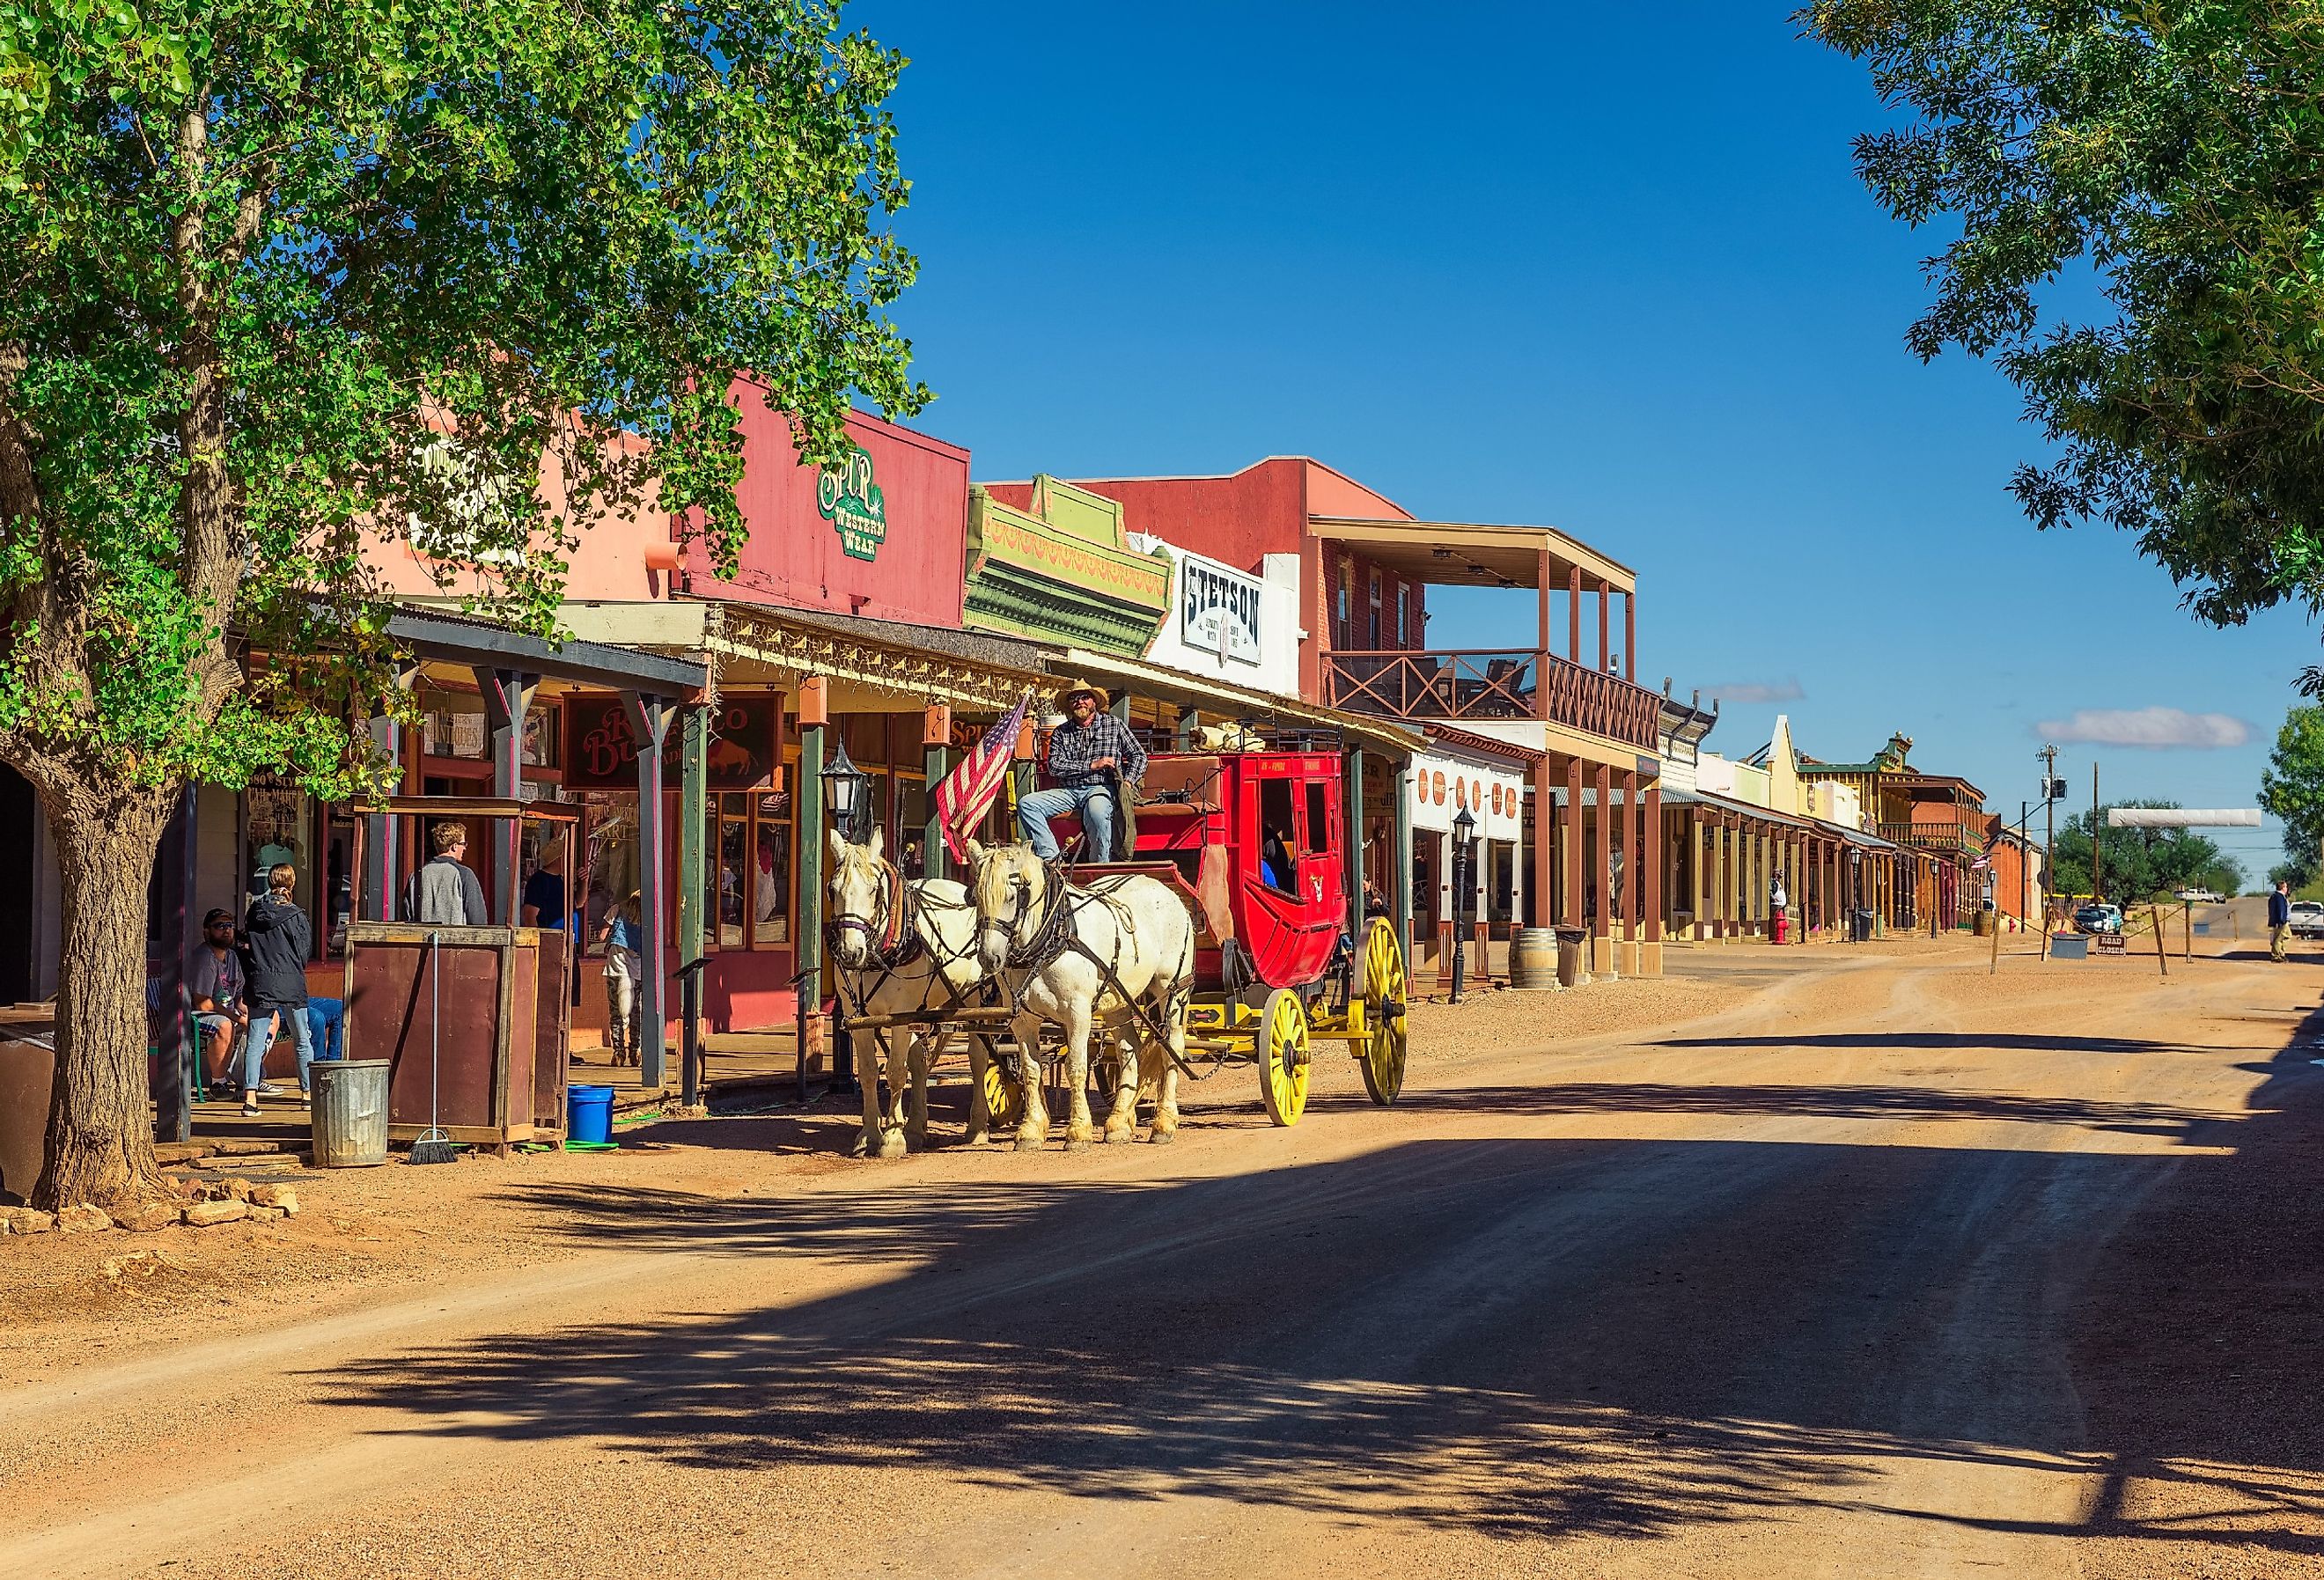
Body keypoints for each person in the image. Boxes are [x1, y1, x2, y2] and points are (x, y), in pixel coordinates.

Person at [1016, 683, 1146, 862]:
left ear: (1094, 701)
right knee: (1027, 803)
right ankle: (1051, 859)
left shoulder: (1114, 725)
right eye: (1073, 699)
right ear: (1070, 705)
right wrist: (1092, 765)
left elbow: (1139, 755)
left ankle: (1099, 867)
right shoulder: (1061, 732)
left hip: (1101, 789)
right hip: (1068, 792)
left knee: (1097, 812)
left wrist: (1128, 782)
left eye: (1084, 697)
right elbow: (1054, 766)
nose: (1079, 702)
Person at [242, 863, 313, 1117]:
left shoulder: (254, 913)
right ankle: (307, 1094)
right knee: (302, 1039)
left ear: (269, 882)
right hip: (291, 982)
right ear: (292, 884)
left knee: (255, 1040)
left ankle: (250, 1099)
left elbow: (245, 944)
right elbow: (304, 953)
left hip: (261, 981)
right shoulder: (296, 916)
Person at [188, 908, 249, 1100]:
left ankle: (245, 1080)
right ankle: (218, 1084)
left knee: (267, 1018)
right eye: (219, 926)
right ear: (206, 931)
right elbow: (203, 1003)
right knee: (224, 1025)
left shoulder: (232, 957)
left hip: (229, 1014)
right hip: (197, 1017)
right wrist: (237, 1018)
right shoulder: (205, 958)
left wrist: (251, 1013)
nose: (226, 930)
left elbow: (239, 995)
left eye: (229, 925)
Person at [403, 820, 489, 925]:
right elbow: (478, 920)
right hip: (455, 940)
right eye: (463, 844)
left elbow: (406, 916)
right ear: (454, 846)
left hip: (422, 940)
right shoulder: (464, 875)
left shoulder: (416, 876)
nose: (465, 848)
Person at [593, 888, 644, 1066]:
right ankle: (635, 1051)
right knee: (636, 1012)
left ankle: (618, 1053)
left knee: (616, 1013)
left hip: (616, 968)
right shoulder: (648, 916)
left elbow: (601, 936)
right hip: (637, 971)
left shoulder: (616, 909)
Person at [305, 996, 345, 1063]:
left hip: (298, 997)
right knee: (317, 1018)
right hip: (284, 1002)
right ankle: (318, 1066)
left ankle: (333, 1065)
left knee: (341, 1008)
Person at [2270, 879, 2292, 961]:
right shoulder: (2278, 897)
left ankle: (2281, 952)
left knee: (2288, 936)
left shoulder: (2281, 896)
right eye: (2286, 887)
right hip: (2281, 921)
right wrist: (2280, 921)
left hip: (2284, 921)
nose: (2287, 888)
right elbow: (2280, 910)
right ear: (2282, 887)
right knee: (2278, 938)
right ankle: (2276, 955)